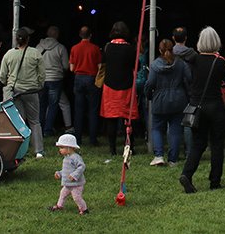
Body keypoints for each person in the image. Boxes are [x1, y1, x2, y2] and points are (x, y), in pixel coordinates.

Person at [179, 27, 225, 194]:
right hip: (215, 106)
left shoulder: (193, 60)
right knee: (217, 145)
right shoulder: (220, 61)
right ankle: (215, 181)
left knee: (198, 144)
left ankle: (187, 173)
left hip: (196, 106)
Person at [0, 26, 45, 158]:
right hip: (31, 91)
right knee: (35, 121)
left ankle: (18, 150)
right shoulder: (35, 53)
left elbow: (2, 75)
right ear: (28, 39)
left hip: (15, 91)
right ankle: (38, 151)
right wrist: (39, 85)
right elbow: (42, 74)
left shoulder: (9, 54)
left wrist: (8, 83)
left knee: (18, 121)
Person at [145, 39, 191, 167]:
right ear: (173, 50)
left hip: (160, 100)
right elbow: (189, 79)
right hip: (178, 100)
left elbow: (150, 84)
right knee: (175, 130)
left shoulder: (154, 65)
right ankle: (173, 159)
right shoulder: (180, 63)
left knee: (157, 128)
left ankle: (159, 155)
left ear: (159, 50)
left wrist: (149, 96)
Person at [100, 22, 138, 156]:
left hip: (110, 86)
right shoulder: (131, 49)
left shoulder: (107, 47)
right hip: (127, 85)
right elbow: (135, 65)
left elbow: (103, 63)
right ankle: (130, 146)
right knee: (128, 118)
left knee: (111, 119)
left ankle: (112, 150)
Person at [69, 27, 102, 147]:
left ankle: (77, 139)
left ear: (80, 35)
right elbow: (99, 67)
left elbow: (71, 68)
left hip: (78, 78)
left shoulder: (74, 48)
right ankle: (93, 139)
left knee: (78, 110)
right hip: (91, 78)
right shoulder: (95, 48)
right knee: (93, 110)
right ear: (90, 35)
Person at [38, 26, 73, 137]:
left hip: (42, 79)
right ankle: (48, 130)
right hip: (55, 79)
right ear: (57, 35)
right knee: (53, 105)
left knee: (42, 105)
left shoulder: (38, 47)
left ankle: (39, 128)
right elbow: (66, 66)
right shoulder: (60, 48)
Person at [47, 133, 88, 215]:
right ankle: (59, 205)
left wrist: (74, 175)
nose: (60, 150)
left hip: (76, 184)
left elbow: (82, 166)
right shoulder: (66, 158)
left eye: (62, 147)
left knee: (76, 197)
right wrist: (60, 173)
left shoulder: (75, 157)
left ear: (70, 148)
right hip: (68, 184)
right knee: (62, 194)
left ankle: (84, 209)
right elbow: (66, 170)